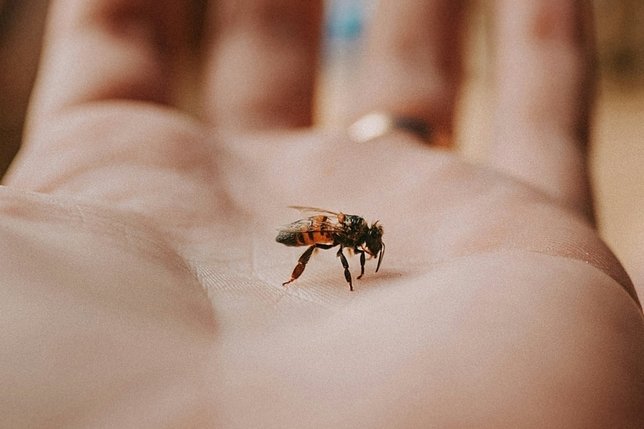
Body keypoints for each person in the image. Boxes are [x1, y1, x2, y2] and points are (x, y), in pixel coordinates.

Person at [1, 0, 642, 427]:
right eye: (368, 245)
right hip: (299, 236)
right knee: (319, 242)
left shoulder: (355, 234)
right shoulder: (343, 236)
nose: (368, 247)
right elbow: (326, 235)